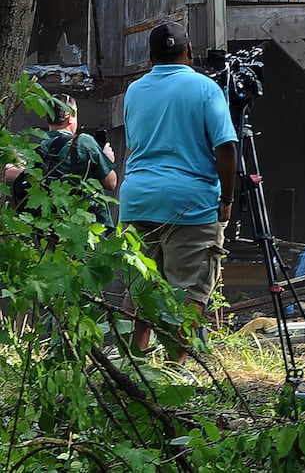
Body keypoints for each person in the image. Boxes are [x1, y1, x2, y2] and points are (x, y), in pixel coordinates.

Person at [120, 22, 238, 360]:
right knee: (189, 292)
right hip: (191, 203)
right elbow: (226, 147)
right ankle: (174, 370)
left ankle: (132, 366)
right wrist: (227, 200)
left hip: (139, 199)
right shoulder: (206, 89)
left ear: (150, 57)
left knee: (141, 287)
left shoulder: (134, 91)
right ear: (189, 53)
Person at [11, 94, 118, 228]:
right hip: (85, 222)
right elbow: (111, 183)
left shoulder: (39, 149)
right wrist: (107, 159)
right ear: (70, 117)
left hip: (50, 224)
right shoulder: (84, 143)